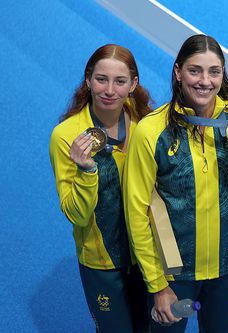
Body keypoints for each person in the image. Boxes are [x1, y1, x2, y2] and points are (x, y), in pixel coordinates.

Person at [123, 34, 228, 333]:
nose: (205, 81)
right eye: (195, 70)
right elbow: (136, 212)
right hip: (175, 272)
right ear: (178, 72)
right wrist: (157, 285)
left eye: (214, 71)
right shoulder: (151, 130)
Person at [49, 44, 152, 333]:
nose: (109, 90)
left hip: (147, 255)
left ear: (133, 84)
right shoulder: (66, 136)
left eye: (120, 81)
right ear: (87, 80)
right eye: (101, 79)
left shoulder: (146, 123)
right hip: (101, 262)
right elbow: (77, 215)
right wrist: (86, 171)